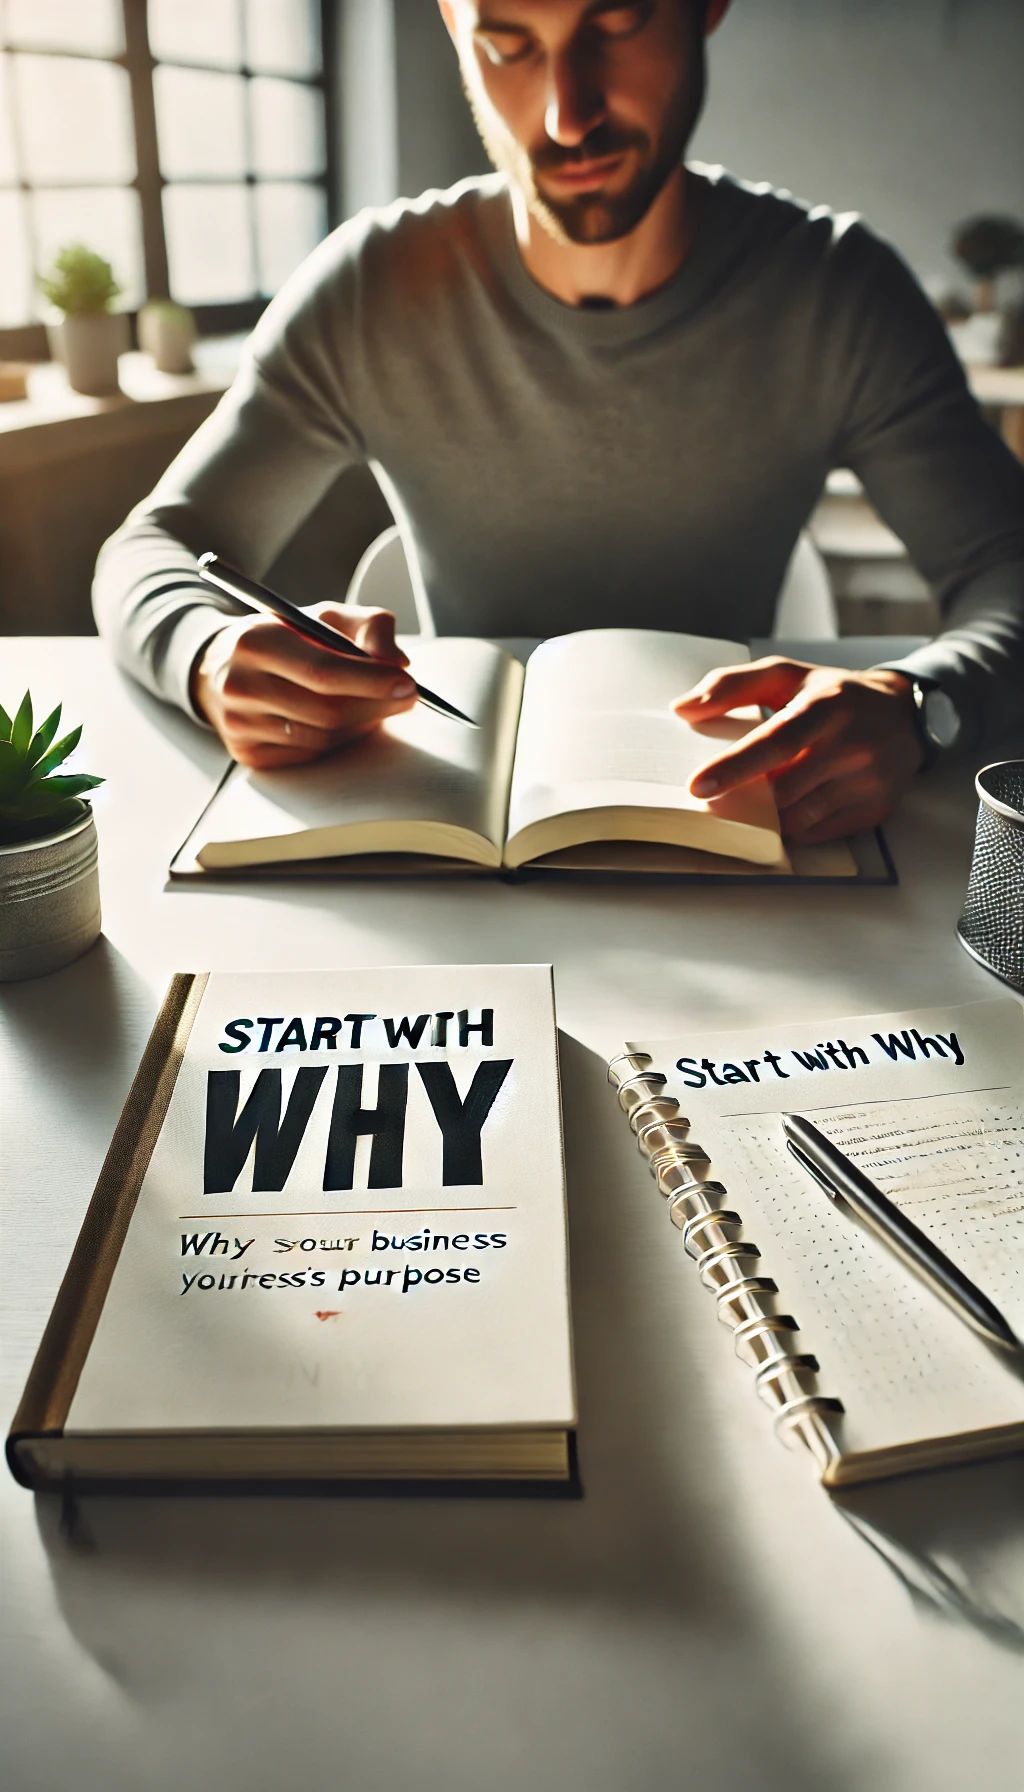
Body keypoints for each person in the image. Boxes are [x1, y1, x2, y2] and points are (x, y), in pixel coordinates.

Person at [94, 0, 1024, 846]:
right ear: (454, 35)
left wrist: (919, 704)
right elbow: (151, 547)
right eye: (506, 45)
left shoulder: (839, 291)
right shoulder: (369, 287)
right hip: (447, 856)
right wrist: (207, 651)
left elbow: (1008, 571)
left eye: (616, 24)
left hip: (745, 837)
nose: (564, 117)